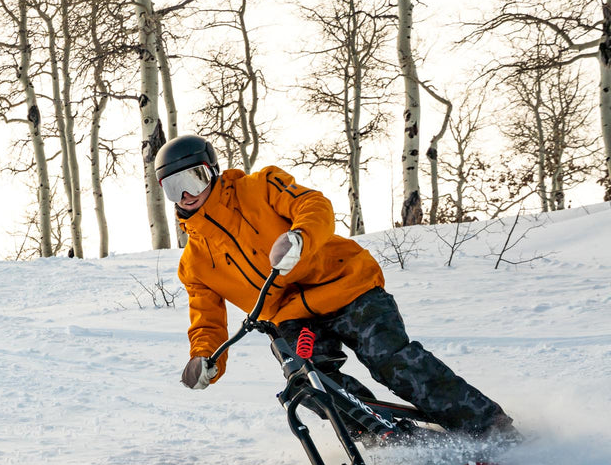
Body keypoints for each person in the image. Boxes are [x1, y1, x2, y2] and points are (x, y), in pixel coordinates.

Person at [157, 134, 517, 443]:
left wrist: (300, 237)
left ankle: (489, 426)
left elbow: (313, 205)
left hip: (348, 286)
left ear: (212, 171)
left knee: (390, 359)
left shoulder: (260, 187)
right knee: (309, 384)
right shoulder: (195, 263)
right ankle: (397, 440)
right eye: (175, 188)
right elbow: (206, 321)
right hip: (293, 318)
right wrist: (205, 360)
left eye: (195, 179)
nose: (188, 194)